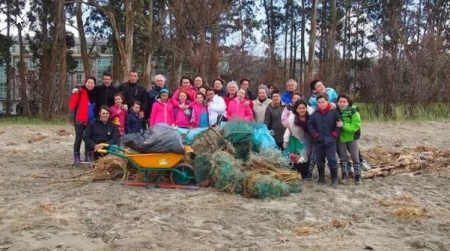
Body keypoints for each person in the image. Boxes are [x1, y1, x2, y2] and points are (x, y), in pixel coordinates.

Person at [307, 93, 343, 187]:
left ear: (327, 102)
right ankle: (321, 178)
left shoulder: (334, 112)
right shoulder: (315, 114)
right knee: (319, 160)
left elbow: (339, 124)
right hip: (318, 141)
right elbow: (310, 125)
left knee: (332, 159)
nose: (321, 104)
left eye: (323, 102)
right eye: (319, 102)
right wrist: (315, 134)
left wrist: (335, 134)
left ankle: (334, 179)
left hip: (331, 141)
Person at [68, 77, 96, 163]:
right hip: (80, 120)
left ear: (94, 84)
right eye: (88, 82)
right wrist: (71, 119)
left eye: (92, 83)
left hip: (91, 121)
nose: (90, 84)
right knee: (79, 138)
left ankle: (87, 155)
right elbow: (72, 106)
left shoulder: (95, 94)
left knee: (88, 138)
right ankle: (76, 156)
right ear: (85, 83)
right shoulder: (79, 92)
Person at [283, 100, 313, 179]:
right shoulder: (292, 120)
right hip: (295, 138)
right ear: (296, 109)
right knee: (294, 154)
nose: (302, 110)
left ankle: (305, 172)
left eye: (304, 108)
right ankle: (294, 171)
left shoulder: (311, 116)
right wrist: (285, 140)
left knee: (305, 155)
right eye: (300, 108)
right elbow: (289, 129)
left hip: (308, 138)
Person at [337, 94, 362, 185]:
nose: (342, 104)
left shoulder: (353, 111)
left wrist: (343, 125)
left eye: (344, 102)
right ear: (337, 102)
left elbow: (356, 125)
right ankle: (344, 174)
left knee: (355, 156)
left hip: (352, 137)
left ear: (348, 102)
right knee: (343, 157)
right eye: (340, 101)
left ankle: (358, 175)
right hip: (340, 137)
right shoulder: (335, 111)